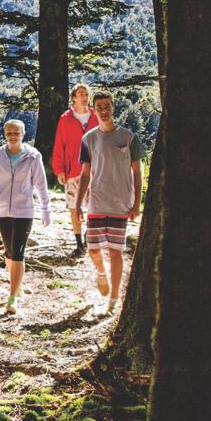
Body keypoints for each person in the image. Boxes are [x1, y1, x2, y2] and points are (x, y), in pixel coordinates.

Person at [72, 90, 144, 313]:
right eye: (99, 107)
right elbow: (85, 174)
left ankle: (113, 299)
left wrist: (136, 203)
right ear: (95, 109)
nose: (104, 110)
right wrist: (76, 204)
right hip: (96, 201)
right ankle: (101, 273)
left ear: (113, 107)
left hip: (120, 203)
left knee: (115, 251)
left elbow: (138, 172)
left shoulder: (129, 137)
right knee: (93, 249)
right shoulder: (89, 139)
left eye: (107, 106)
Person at [0, 119, 52, 314]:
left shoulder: (32, 156)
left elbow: (40, 185)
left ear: (23, 134)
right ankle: (17, 285)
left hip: (24, 212)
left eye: (16, 133)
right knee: (9, 254)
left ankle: (12, 298)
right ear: (5, 134)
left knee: (18, 253)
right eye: (9, 133)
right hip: (3, 211)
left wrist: (46, 210)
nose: (12, 136)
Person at [52, 84, 100, 255]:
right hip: (73, 171)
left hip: (95, 171)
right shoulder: (66, 118)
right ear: (73, 97)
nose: (85, 97)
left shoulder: (96, 116)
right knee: (74, 207)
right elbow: (60, 144)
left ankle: (90, 235)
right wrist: (59, 170)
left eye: (86, 94)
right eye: (81, 94)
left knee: (95, 206)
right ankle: (79, 244)